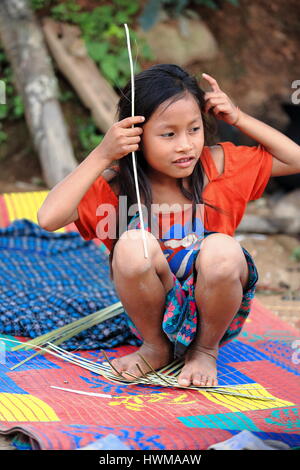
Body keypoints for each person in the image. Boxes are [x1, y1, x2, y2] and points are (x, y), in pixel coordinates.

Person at [37, 64, 300, 388]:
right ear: (137, 135)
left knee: (222, 248)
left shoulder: (216, 166)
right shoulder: (119, 183)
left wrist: (239, 118)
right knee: (133, 244)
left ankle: (204, 350)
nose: (185, 145)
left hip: (215, 308)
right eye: (168, 134)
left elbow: (296, 159)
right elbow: (49, 218)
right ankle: (155, 349)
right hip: (153, 313)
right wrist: (103, 155)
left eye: (193, 129)